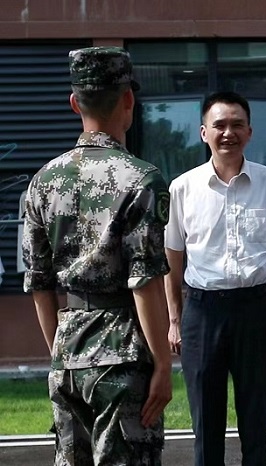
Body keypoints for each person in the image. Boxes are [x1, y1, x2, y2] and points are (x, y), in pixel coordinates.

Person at [22, 46, 172, 465]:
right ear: (129, 100)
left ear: (75, 103)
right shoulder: (142, 179)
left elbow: (39, 282)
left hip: (67, 347)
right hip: (124, 351)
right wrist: (162, 363)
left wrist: (60, 352)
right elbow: (144, 281)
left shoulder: (42, 182)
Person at [164, 91, 266, 466]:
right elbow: (172, 257)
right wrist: (174, 319)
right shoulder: (183, 188)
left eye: (237, 125)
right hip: (202, 312)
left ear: (249, 132)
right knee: (205, 423)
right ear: (204, 133)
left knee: (256, 421)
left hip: (255, 309)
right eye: (219, 125)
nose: (228, 133)